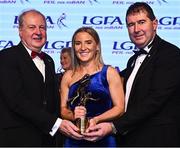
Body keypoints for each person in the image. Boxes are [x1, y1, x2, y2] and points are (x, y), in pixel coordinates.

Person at [83, 2, 180, 146]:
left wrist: (113, 126)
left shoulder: (170, 54)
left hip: (157, 140)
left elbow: (154, 101)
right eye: (131, 24)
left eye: (141, 22)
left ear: (154, 24)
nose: (136, 29)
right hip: (132, 138)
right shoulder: (132, 60)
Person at [0, 9, 83, 147]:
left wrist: (72, 114)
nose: (38, 32)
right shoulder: (6, 57)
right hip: (17, 139)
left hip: (47, 140)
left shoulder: (49, 60)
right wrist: (56, 123)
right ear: (20, 31)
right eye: (32, 27)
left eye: (42, 27)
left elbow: (52, 101)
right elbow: (16, 101)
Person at [60, 26, 124, 147]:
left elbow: (119, 108)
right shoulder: (68, 76)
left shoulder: (109, 72)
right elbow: (63, 109)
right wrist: (73, 115)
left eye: (88, 42)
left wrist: (96, 119)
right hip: (74, 139)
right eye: (78, 43)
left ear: (97, 46)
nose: (83, 48)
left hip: (103, 138)